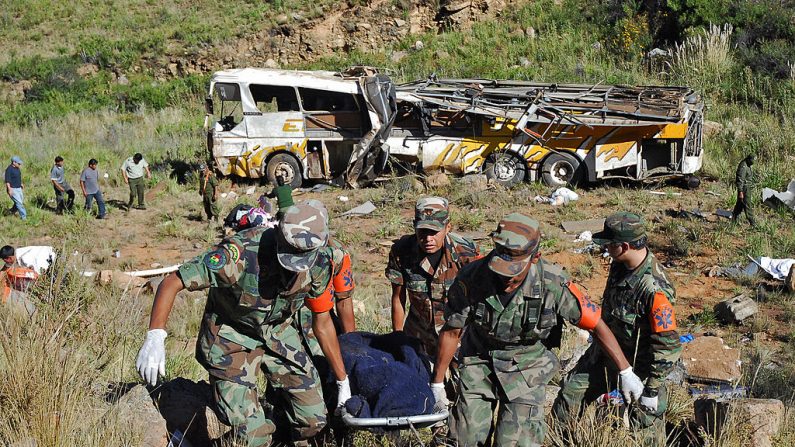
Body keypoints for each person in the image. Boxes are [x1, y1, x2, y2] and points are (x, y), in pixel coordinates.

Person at [136, 200, 352, 447]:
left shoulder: (321, 261)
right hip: (231, 337)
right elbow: (173, 281)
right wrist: (155, 335)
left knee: (313, 420)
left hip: (277, 332)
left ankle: (278, 432)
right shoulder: (239, 253)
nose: (296, 265)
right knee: (253, 435)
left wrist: (342, 380)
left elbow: (322, 322)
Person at [431, 213, 644, 447]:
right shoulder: (472, 277)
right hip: (478, 361)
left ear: (535, 257)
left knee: (514, 442)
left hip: (526, 366)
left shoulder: (552, 282)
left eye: (513, 272)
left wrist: (625, 371)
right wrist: (438, 384)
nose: (505, 279)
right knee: (465, 438)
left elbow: (595, 324)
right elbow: (452, 331)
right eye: (500, 269)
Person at [553, 212, 682, 446]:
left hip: (642, 366)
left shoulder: (655, 290)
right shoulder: (620, 265)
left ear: (623, 246)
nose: (605, 249)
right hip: (608, 355)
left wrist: (652, 389)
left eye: (609, 244)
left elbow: (668, 346)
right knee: (570, 396)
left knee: (645, 425)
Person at [386, 196, 481, 360]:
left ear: (448, 227)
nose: (428, 239)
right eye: (422, 232)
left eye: (434, 232)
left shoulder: (466, 252)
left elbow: (480, 297)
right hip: (419, 337)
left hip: (458, 339)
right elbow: (398, 298)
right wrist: (398, 338)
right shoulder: (402, 252)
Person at [732, 154, 757, 227]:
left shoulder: (748, 165)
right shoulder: (743, 166)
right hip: (744, 188)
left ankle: (734, 219)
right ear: (749, 159)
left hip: (747, 187)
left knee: (740, 204)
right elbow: (740, 179)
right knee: (747, 204)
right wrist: (740, 191)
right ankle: (752, 222)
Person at [5, 156, 26, 221]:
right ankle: (24, 217)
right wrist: (9, 189)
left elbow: (17, 177)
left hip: (18, 188)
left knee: (20, 201)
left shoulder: (17, 168)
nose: (19, 165)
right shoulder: (9, 170)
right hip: (13, 189)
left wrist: (21, 183)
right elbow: (7, 181)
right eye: (18, 163)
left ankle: (11, 211)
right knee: (19, 203)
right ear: (14, 162)